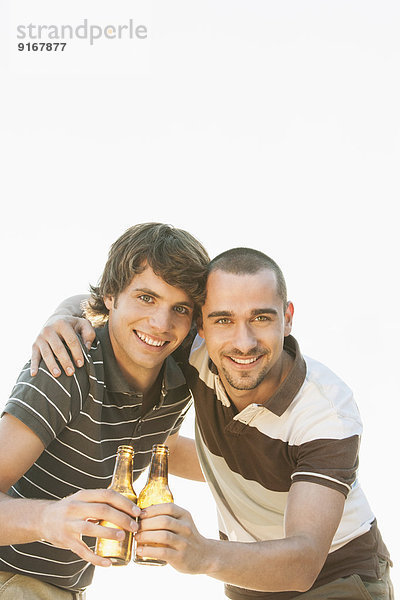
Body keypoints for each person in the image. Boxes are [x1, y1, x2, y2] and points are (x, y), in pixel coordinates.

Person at [28, 247, 394, 599]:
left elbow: (303, 564)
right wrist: (60, 318)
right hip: (245, 581)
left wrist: (201, 553)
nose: (243, 342)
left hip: (336, 577)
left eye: (261, 317)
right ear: (200, 325)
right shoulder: (194, 350)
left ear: (288, 317)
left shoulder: (327, 411)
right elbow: (117, 302)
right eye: (223, 320)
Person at [0, 222, 209, 599]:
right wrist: (48, 519)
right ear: (110, 296)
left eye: (179, 308)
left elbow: (168, 446)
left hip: (68, 588)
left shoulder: (179, 379)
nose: (160, 324)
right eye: (146, 297)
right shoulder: (66, 365)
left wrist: (256, 471)